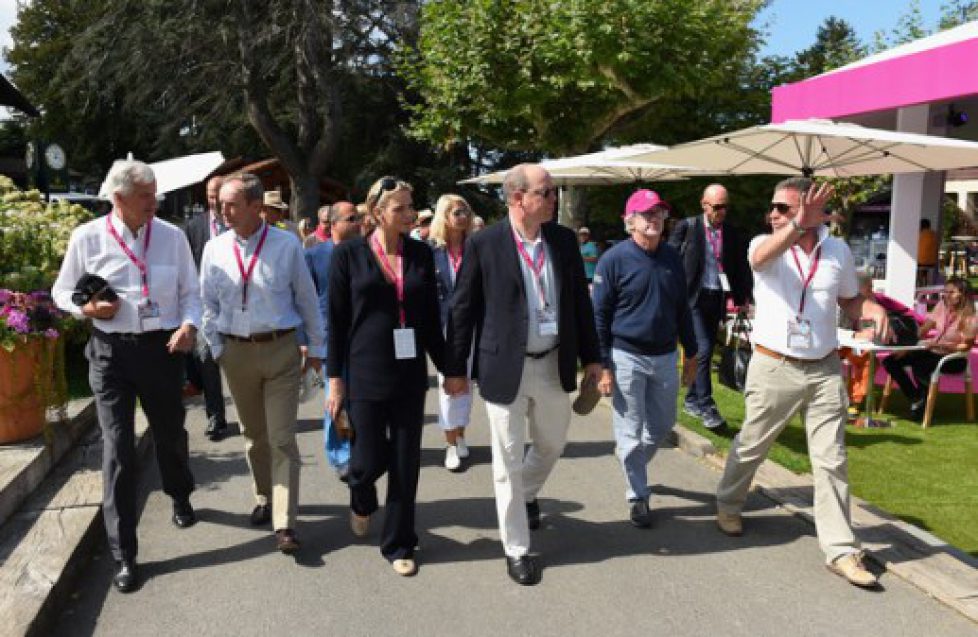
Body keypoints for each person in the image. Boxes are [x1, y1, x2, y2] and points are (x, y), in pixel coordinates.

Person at [715, 177, 890, 589]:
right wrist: (796, 225)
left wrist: (872, 306)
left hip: (824, 367)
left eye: (783, 207)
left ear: (815, 212)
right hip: (775, 364)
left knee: (832, 459)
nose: (772, 213)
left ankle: (841, 549)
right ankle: (728, 501)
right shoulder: (766, 242)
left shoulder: (837, 251)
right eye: (772, 207)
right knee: (754, 442)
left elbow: (847, 298)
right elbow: (758, 260)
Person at [443, 163, 601, 586]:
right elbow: (462, 310)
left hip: (553, 362)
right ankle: (516, 547)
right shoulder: (485, 243)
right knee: (507, 461)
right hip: (503, 367)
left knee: (551, 444)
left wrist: (593, 358)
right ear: (518, 199)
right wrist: (454, 368)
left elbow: (580, 306)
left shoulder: (564, 241)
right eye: (546, 192)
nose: (554, 199)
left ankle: (526, 493)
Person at [52, 159, 200, 593]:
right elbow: (62, 291)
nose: (155, 202)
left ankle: (180, 493)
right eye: (146, 197)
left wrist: (189, 325)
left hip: (161, 349)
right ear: (118, 199)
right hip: (109, 353)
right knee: (117, 447)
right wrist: (86, 308)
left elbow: (192, 293)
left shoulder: (171, 237)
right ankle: (125, 554)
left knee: (170, 432)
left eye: (155, 194)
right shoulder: (88, 237)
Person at [326, 176, 445, 577]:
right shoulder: (347, 255)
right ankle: (361, 495)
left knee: (405, 459)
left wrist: (452, 369)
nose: (410, 215)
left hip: (410, 373)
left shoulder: (421, 255)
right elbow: (337, 322)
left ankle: (399, 542)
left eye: (412, 207)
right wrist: (335, 379)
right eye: (401, 208)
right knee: (367, 458)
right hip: (365, 371)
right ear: (377, 213)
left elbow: (429, 319)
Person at [200, 172, 324, 555]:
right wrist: (218, 349)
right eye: (221, 204)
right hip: (236, 353)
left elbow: (307, 299)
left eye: (232, 204)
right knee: (254, 436)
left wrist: (317, 348)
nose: (224, 211)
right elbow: (207, 305)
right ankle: (265, 497)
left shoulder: (287, 245)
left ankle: (285, 523)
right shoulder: (214, 249)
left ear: (257, 206)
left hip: (280, 350)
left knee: (283, 438)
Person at [592, 189, 698, 527]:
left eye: (659, 213)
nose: (654, 219)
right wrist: (603, 365)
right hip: (626, 357)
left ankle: (629, 457)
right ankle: (638, 496)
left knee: (662, 425)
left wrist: (692, 354)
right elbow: (599, 316)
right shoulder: (614, 260)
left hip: (665, 356)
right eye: (646, 213)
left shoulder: (671, 258)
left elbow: (683, 309)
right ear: (630, 221)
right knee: (631, 432)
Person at [668, 183, 751, 431]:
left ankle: (691, 400)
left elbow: (739, 266)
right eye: (717, 207)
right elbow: (669, 258)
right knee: (703, 350)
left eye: (725, 206)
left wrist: (742, 298)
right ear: (704, 205)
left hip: (715, 299)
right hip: (691, 298)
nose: (721, 212)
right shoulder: (688, 227)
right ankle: (706, 405)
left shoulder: (731, 233)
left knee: (701, 351)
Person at [304, 201, 361, 478]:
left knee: (362, 398)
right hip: (329, 340)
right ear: (333, 224)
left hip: (363, 339)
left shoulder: (367, 252)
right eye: (351, 218)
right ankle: (341, 456)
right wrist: (306, 342)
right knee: (335, 400)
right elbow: (304, 301)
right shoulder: (314, 256)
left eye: (358, 218)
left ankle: (362, 447)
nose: (358, 223)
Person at [882, 277, 976, 422]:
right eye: (945, 291)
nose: (946, 295)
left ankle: (921, 407)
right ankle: (916, 398)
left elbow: (965, 346)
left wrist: (940, 345)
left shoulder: (971, 318)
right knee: (891, 360)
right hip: (932, 350)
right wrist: (908, 344)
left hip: (954, 358)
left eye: (951, 292)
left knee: (920, 366)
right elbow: (925, 327)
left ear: (963, 294)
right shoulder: (942, 306)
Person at [428, 193, 475, 471]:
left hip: (473, 325)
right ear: (444, 216)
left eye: (466, 212)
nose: (463, 217)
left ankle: (460, 434)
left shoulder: (475, 247)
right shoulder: (431, 250)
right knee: (449, 384)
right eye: (457, 212)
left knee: (467, 383)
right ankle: (449, 444)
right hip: (444, 326)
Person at [183, 175, 229, 440]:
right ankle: (216, 417)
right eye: (211, 194)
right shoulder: (194, 227)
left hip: (237, 306)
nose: (214, 200)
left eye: (219, 194)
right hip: (205, 307)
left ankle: (253, 416)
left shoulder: (239, 224)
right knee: (206, 359)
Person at [840, 271, 923, 417]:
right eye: (868, 288)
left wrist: (908, 343)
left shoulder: (880, 300)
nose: (872, 291)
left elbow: (916, 319)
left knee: (868, 361)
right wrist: (856, 335)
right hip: (836, 344)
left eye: (872, 287)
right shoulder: (840, 302)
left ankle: (854, 402)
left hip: (862, 347)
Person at [917, 218, 939, 284]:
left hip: (921, 262)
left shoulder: (920, 234)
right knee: (924, 262)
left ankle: (920, 284)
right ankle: (926, 283)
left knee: (916, 263)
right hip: (932, 262)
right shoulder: (934, 234)